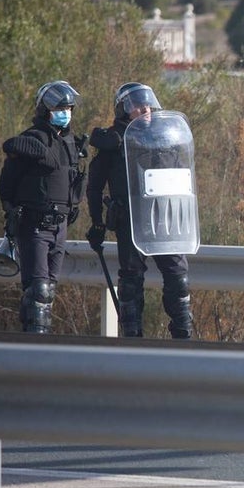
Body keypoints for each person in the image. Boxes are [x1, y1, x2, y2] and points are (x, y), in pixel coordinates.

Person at [86, 82, 194, 339]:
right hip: (131, 222)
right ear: (125, 110)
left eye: (147, 103)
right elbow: (94, 187)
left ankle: (183, 336)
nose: (144, 109)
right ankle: (132, 339)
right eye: (136, 105)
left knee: (178, 277)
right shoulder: (112, 144)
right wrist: (97, 223)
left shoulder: (165, 139)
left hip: (165, 221)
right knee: (131, 281)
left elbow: (182, 180)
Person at [0, 80, 85, 334]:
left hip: (60, 227)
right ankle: (36, 349)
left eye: (68, 108)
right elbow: (7, 183)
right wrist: (10, 210)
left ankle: (30, 346)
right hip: (36, 223)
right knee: (39, 291)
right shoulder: (32, 140)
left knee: (47, 291)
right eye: (60, 108)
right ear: (45, 110)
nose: (65, 112)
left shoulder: (69, 144)